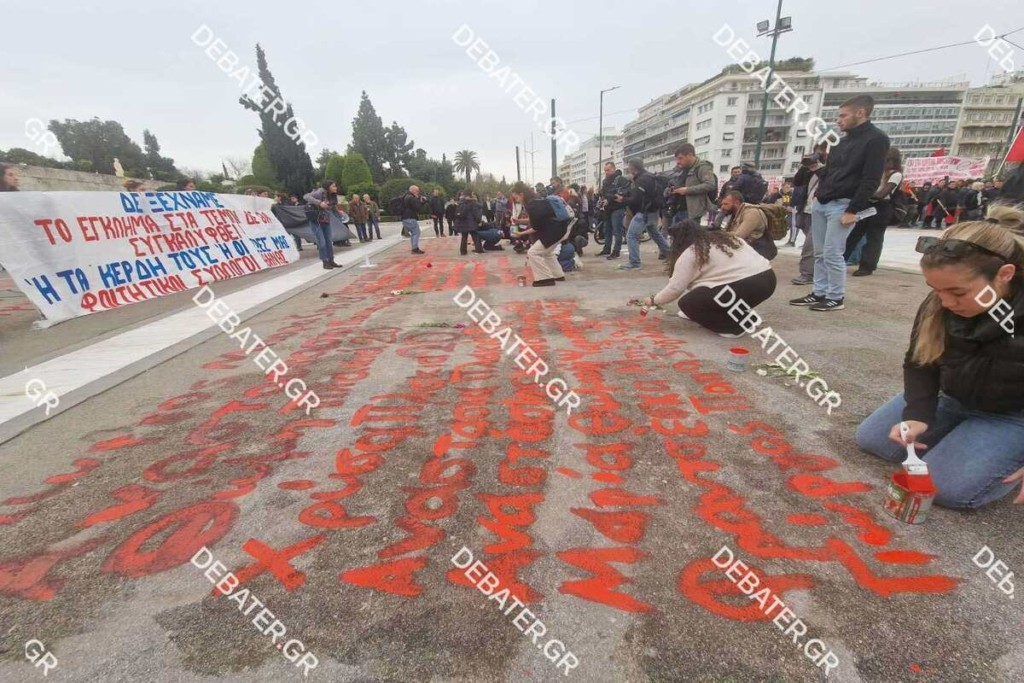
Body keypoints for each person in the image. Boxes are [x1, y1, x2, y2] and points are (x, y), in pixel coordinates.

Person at [854, 205, 1024, 509]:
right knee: (873, 439)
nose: (945, 302)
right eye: (936, 290)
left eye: (958, 293)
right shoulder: (941, 301)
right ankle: (968, 440)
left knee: (944, 489)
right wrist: (918, 413)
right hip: (955, 396)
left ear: (1005, 275)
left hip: (1012, 414)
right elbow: (920, 360)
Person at [790, 95, 889, 312]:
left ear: (860, 113)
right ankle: (819, 292)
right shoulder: (840, 142)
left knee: (833, 252)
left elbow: (871, 178)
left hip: (843, 204)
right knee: (819, 252)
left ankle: (835, 296)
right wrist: (814, 167)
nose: (839, 120)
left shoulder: (876, 139)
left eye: (843, 115)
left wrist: (854, 209)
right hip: (823, 202)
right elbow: (831, 174)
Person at [636, 219, 776, 337]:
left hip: (743, 286)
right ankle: (747, 318)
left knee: (687, 303)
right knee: (705, 294)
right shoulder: (729, 239)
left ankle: (732, 329)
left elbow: (676, 288)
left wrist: (654, 300)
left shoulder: (691, 251)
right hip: (768, 280)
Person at [841, 147, 903, 277]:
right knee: (854, 234)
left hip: (881, 207)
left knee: (874, 238)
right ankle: (841, 260)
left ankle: (867, 266)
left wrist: (864, 194)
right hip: (866, 206)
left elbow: (882, 194)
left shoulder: (895, 174)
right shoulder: (876, 172)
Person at [510, 181, 569, 287]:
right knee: (547, 253)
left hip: (554, 231)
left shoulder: (531, 205)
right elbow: (536, 220)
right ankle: (558, 275)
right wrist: (519, 221)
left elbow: (536, 227)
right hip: (561, 229)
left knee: (533, 252)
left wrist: (520, 233)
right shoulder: (537, 201)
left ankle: (545, 279)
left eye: (517, 198)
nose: (517, 201)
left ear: (522, 195)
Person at [617, 158, 671, 270]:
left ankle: (635, 263)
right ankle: (671, 255)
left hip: (645, 213)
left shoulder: (642, 179)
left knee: (631, 235)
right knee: (655, 234)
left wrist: (622, 199)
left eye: (629, 167)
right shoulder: (650, 176)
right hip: (654, 211)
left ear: (633, 168)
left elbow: (636, 200)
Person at [666, 143, 718, 225]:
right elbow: (675, 184)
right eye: (677, 159)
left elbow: (710, 185)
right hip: (677, 210)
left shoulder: (703, 167)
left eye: (680, 158)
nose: (678, 162)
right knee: (675, 237)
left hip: (691, 213)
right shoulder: (681, 169)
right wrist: (671, 190)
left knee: (689, 237)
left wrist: (687, 190)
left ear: (690, 155)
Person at [303, 180, 343, 270]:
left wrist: (338, 212)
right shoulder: (319, 192)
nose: (335, 188)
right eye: (333, 186)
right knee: (322, 242)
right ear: (328, 187)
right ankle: (325, 262)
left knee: (329, 241)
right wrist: (319, 203)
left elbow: (331, 207)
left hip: (325, 220)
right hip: (316, 221)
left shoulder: (332, 196)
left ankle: (331, 260)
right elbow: (306, 196)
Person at [596, 162, 630, 259]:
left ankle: (616, 251)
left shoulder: (621, 179)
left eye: (608, 170)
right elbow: (604, 193)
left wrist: (609, 198)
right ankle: (607, 248)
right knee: (607, 229)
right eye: (605, 170)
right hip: (608, 208)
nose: (606, 172)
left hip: (617, 207)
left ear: (614, 169)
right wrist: (602, 198)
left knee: (617, 230)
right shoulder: (605, 181)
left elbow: (623, 193)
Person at [454, 191, 484, 256]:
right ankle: (479, 249)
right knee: (475, 236)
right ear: (471, 196)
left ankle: (463, 251)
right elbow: (476, 213)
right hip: (471, 223)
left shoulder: (461, 202)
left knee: (464, 237)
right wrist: (479, 221)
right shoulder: (473, 203)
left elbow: (457, 212)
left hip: (463, 223)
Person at [401, 185, 428, 254]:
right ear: (413, 190)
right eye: (417, 191)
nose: (418, 192)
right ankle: (415, 249)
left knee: (414, 233)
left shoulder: (406, 196)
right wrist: (422, 202)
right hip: (410, 217)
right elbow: (418, 208)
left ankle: (414, 247)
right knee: (416, 232)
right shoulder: (411, 198)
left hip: (405, 217)